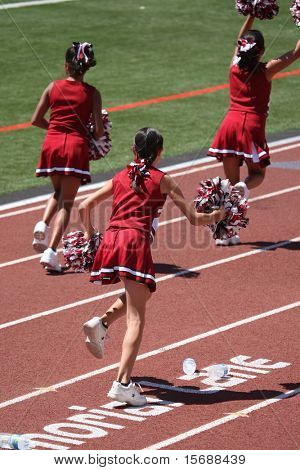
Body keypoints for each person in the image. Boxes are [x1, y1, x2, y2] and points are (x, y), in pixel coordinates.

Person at [79, 127, 226, 406]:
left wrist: (90, 239)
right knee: (137, 318)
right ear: (160, 152)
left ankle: (101, 323)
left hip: (111, 240)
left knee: (142, 292)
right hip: (134, 244)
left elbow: (84, 205)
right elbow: (195, 219)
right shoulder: (164, 180)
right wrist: (220, 214)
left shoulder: (121, 176)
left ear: (134, 151)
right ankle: (122, 383)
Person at [207, 15, 300, 246]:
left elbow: (240, 38)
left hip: (229, 125)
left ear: (241, 48)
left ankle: (223, 234)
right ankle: (244, 187)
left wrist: (251, 14)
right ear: (262, 51)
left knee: (229, 185)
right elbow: (297, 52)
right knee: (256, 175)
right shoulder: (267, 69)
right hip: (251, 127)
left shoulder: (234, 65)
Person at [31, 42, 104, 271]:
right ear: (87, 68)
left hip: (51, 144)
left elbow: (36, 119)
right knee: (67, 203)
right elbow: (99, 131)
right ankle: (51, 252)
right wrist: (90, 131)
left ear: (66, 66)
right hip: (74, 148)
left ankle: (42, 224)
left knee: (58, 191)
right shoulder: (92, 93)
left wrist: (56, 129)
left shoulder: (53, 87)